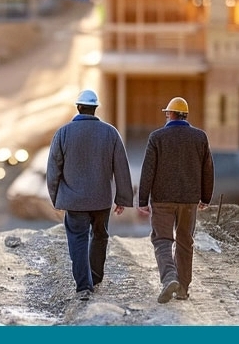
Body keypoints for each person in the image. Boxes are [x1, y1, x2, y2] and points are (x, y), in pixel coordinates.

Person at [46, 89, 134, 301]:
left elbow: (53, 169)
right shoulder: (110, 133)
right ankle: (95, 277)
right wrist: (122, 198)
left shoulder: (63, 133)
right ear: (95, 109)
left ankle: (84, 286)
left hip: (74, 201)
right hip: (101, 200)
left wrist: (56, 197)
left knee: (78, 240)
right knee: (100, 236)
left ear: (78, 107)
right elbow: (121, 166)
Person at [138, 96, 214, 304]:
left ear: (170, 114)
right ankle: (182, 289)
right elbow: (207, 169)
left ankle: (169, 277)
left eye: (166, 113)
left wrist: (143, 199)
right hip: (189, 200)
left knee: (162, 239)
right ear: (185, 115)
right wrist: (206, 197)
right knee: (184, 241)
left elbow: (148, 170)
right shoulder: (200, 137)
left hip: (162, 199)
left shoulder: (157, 137)